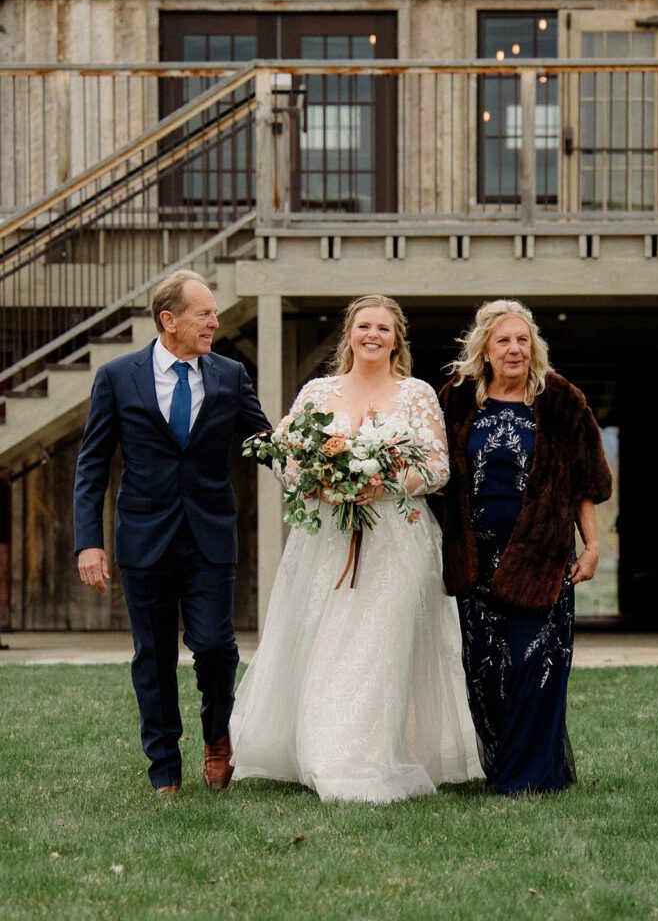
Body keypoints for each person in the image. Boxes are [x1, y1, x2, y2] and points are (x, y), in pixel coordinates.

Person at [230, 295, 482, 803]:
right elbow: (282, 454)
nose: (373, 335)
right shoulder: (318, 392)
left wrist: (385, 481)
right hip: (326, 538)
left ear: (396, 339)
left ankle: (370, 754)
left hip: (396, 539)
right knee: (328, 641)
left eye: (383, 328)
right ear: (349, 334)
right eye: (364, 326)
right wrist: (319, 482)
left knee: (382, 644)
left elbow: (438, 469)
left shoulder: (415, 395)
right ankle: (326, 754)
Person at [73, 269, 271, 795]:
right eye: (204, 313)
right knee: (153, 655)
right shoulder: (117, 377)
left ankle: (216, 738)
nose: (215, 321)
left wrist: (327, 470)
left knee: (215, 647)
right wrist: (88, 542)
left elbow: (264, 442)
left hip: (210, 535)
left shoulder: (230, 375)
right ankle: (164, 769)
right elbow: (92, 465)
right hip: (143, 538)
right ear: (170, 320)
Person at [439, 299, 612, 795]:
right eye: (503, 341)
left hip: (541, 556)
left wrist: (592, 545)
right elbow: (434, 474)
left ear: (533, 346)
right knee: (484, 674)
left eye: (522, 340)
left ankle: (528, 779)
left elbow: (586, 483)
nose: (515, 349)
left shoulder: (562, 402)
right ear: (485, 350)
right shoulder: (455, 399)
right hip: (474, 560)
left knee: (535, 664)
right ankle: (507, 766)